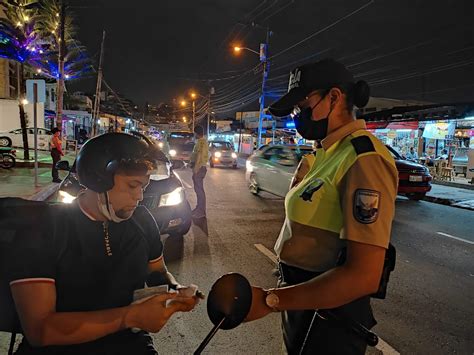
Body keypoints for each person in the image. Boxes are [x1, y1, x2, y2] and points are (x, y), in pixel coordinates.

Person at [244, 59, 398, 354]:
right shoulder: (327, 152)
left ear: (335, 97)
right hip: (305, 303)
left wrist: (270, 300)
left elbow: (363, 275)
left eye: (303, 105)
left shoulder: (364, 158)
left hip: (330, 319)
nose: (296, 115)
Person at [7, 133, 200, 354]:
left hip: (129, 344)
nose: (139, 197)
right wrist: (130, 317)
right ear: (97, 180)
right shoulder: (44, 227)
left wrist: (174, 290)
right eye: (132, 185)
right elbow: (40, 330)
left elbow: (157, 272)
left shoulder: (142, 220)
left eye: (143, 187)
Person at [190, 125, 209, 219]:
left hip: (199, 168)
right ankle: (198, 209)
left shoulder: (201, 142)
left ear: (196, 133)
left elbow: (199, 155)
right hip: (200, 167)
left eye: (194, 133)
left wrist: (196, 168)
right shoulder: (202, 141)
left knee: (199, 190)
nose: (194, 135)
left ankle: (201, 211)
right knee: (198, 190)